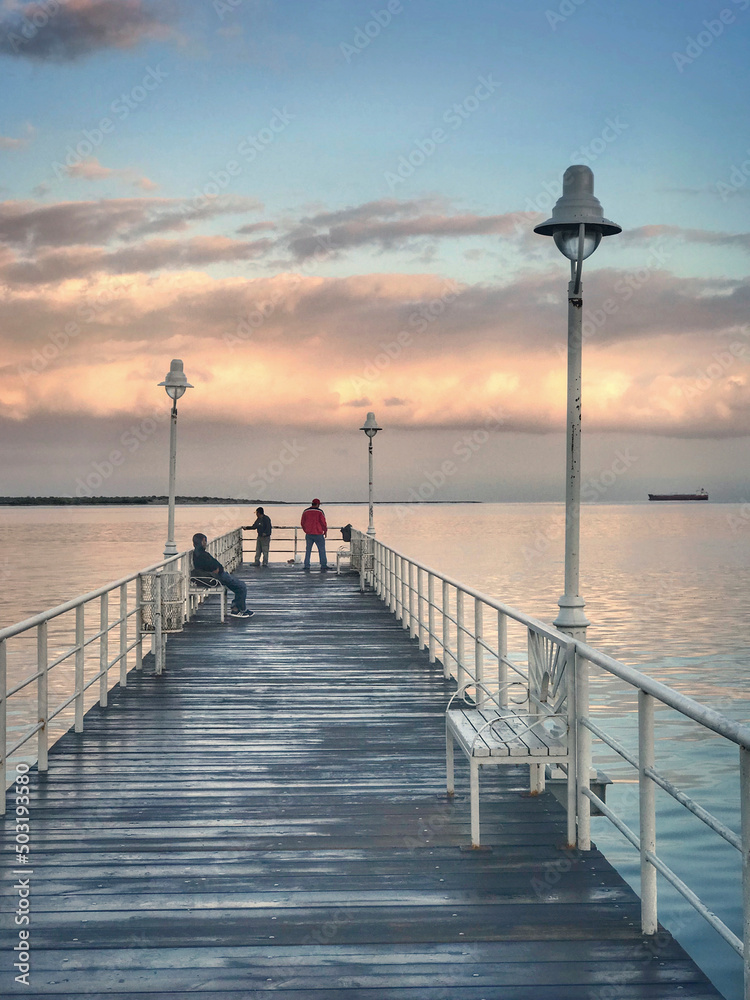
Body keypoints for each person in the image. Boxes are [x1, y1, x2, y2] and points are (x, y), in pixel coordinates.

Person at [191, 533, 254, 618]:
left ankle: (237, 608)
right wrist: (218, 569)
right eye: (205, 541)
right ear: (202, 542)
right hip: (216, 578)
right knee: (241, 586)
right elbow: (214, 568)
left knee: (239, 585)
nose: (206, 543)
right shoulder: (202, 555)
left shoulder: (198, 554)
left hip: (214, 576)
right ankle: (238, 610)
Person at [301, 498, 328, 571]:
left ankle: (306, 565)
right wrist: (325, 531)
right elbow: (323, 522)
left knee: (308, 550)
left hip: (309, 534)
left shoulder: (305, 511)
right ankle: (323, 565)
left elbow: (302, 522)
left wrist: (306, 530)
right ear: (318, 504)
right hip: (318, 533)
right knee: (321, 549)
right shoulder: (320, 512)